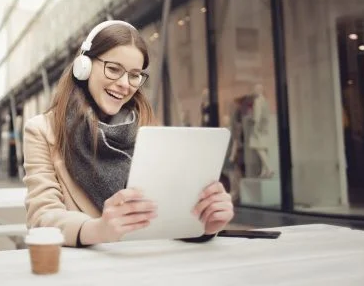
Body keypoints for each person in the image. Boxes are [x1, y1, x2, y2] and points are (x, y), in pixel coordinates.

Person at [22, 20, 234, 247]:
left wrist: (203, 226)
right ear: (83, 66)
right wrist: (98, 229)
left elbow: (165, 215)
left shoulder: (149, 130)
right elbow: (42, 217)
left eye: (134, 75)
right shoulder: (42, 131)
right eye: (113, 69)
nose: (124, 84)